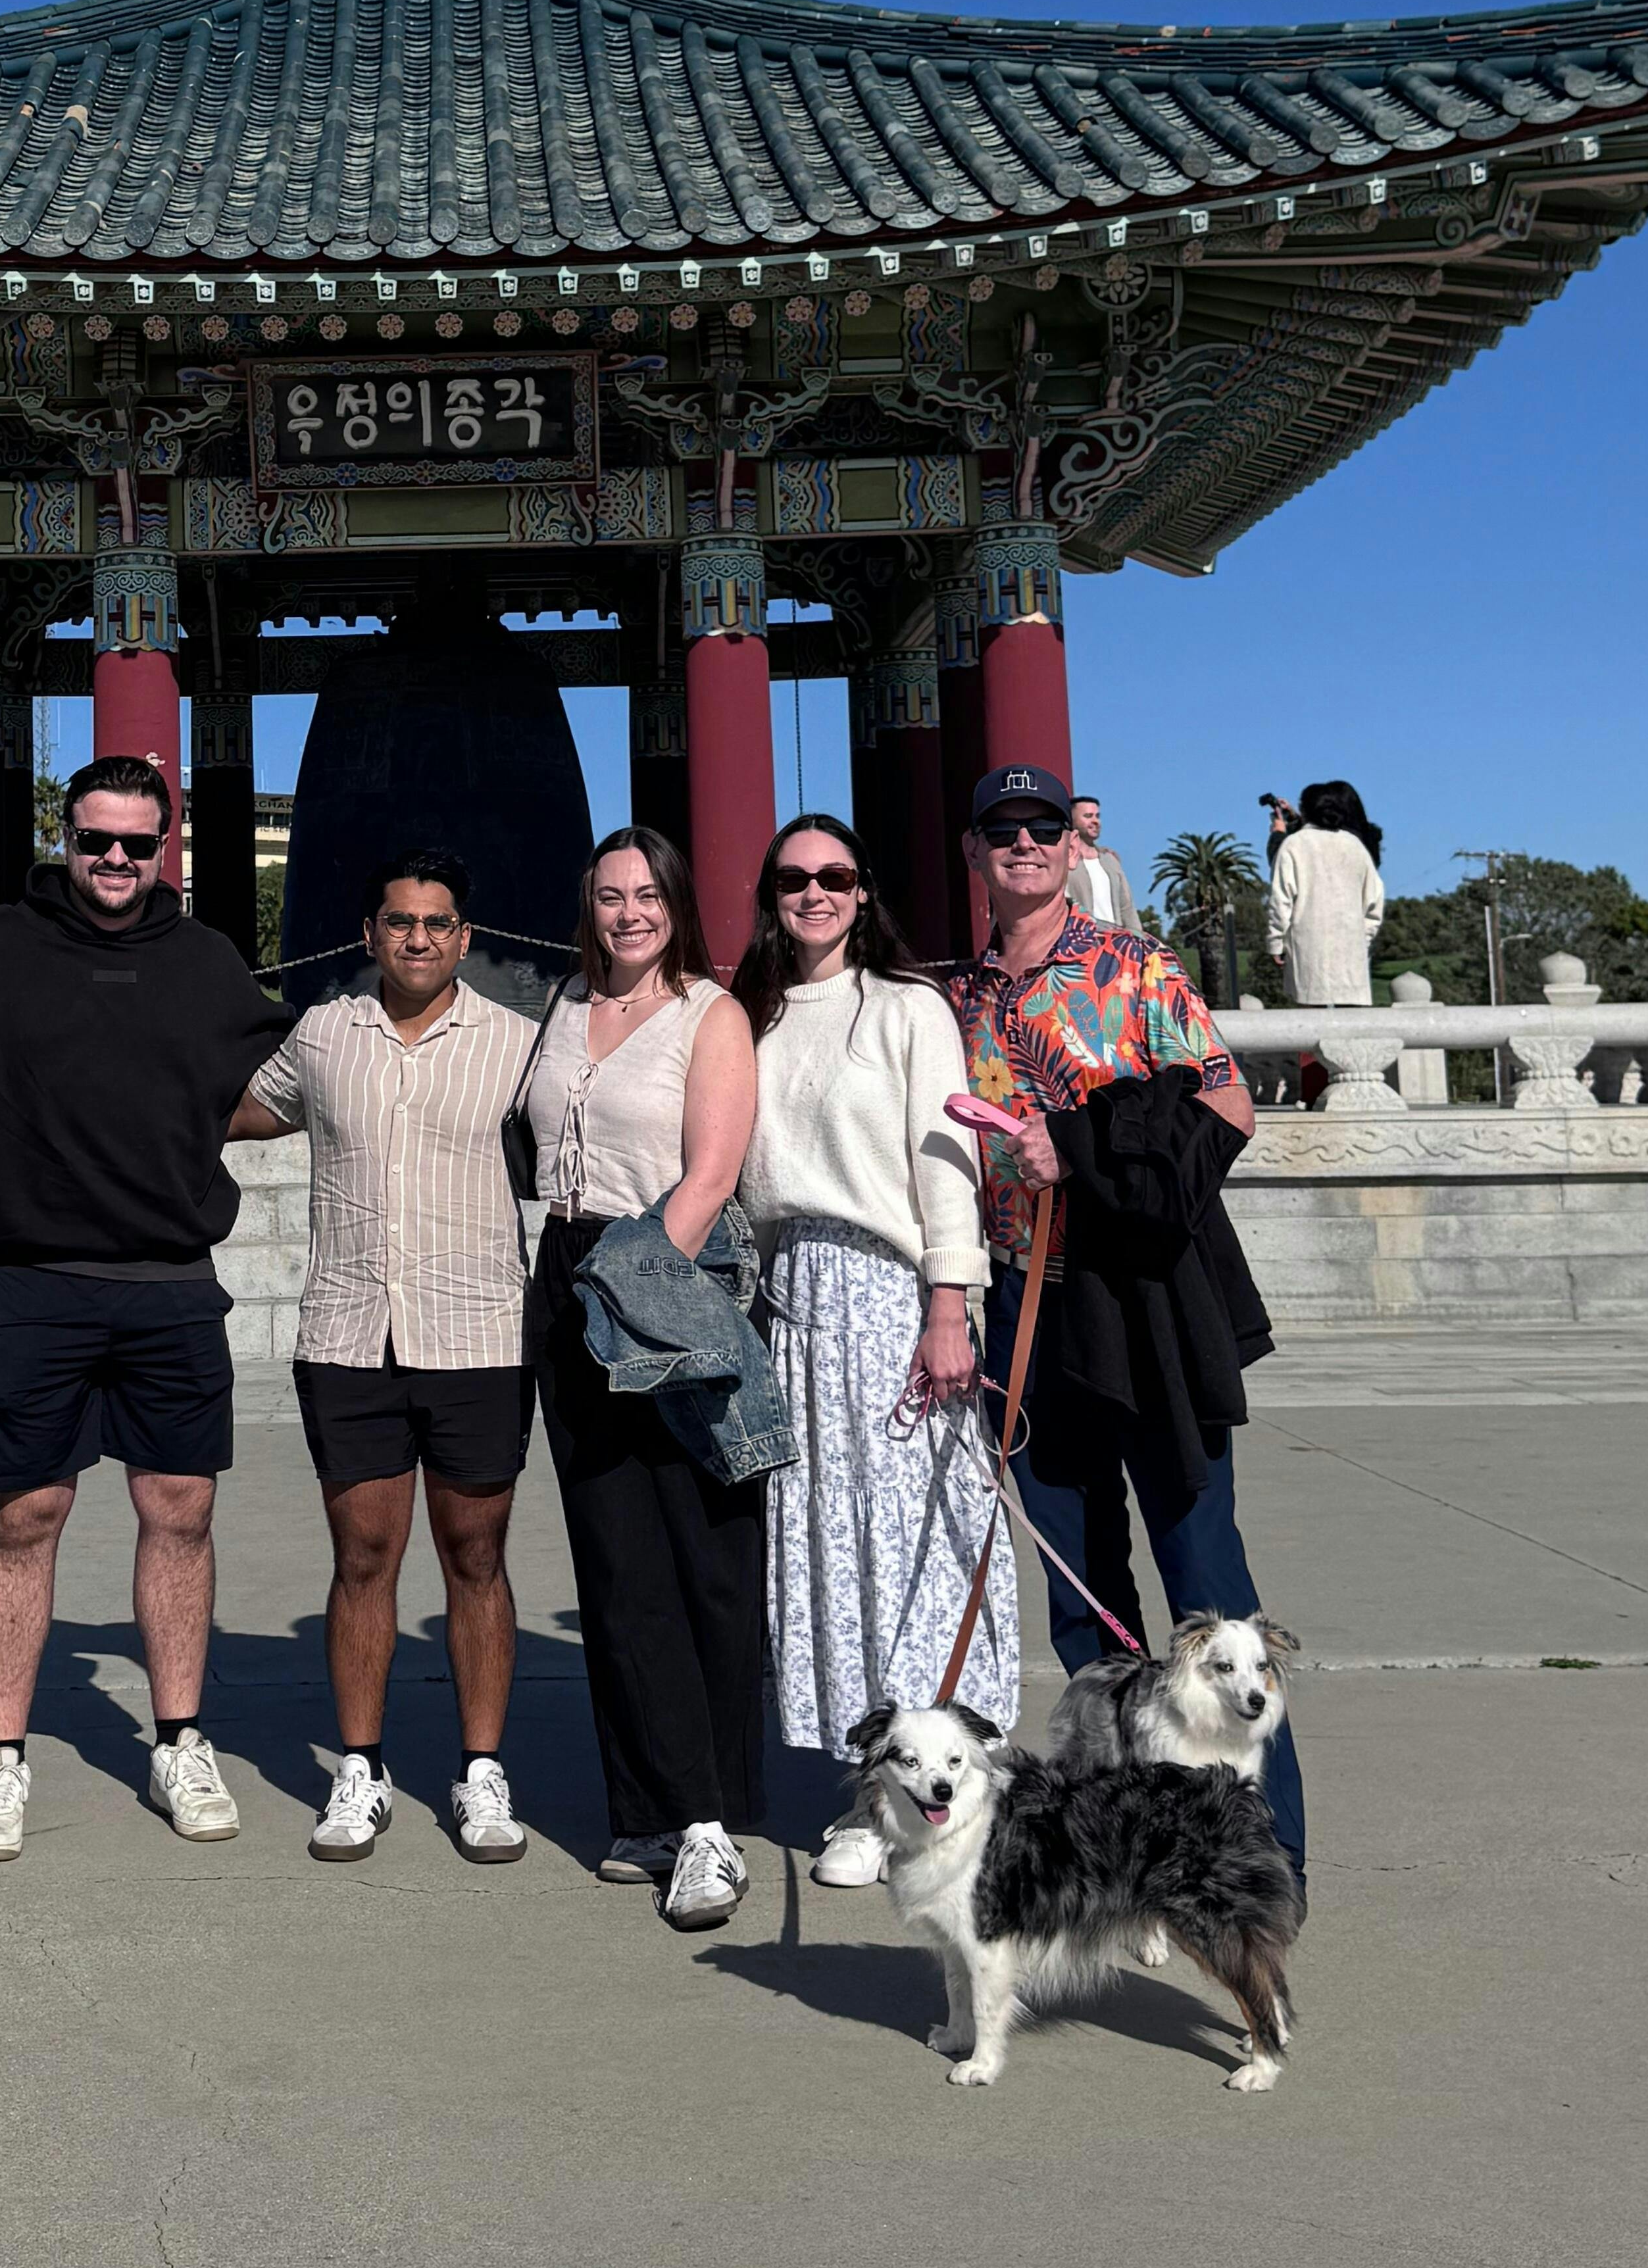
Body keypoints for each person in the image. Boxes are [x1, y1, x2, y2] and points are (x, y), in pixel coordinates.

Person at [942, 761, 1306, 1881]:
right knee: (1083, 1597)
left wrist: (1081, 1149)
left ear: (1073, 847)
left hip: (1140, 1301)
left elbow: (1226, 1101)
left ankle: (1258, 1851)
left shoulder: (1132, 966)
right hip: (1026, 1302)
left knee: (1205, 1579)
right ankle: (1130, 1843)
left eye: (1042, 827)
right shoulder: (956, 999)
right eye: (1002, 828)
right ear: (974, 851)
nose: (1024, 843)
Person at [0, 749, 290, 1860]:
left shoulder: (206, 961)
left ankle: (178, 1738)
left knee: (179, 1508)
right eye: (98, 840)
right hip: (29, 1280)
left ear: (164, 845)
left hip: (169, 1280)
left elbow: (277, 1088)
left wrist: (176, 1134)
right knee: (24, 1516)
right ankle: (0, 1756)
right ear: (67, 837)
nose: (118, 859)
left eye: (139, 842)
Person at [228, 847, 537, 1865]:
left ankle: (481, 1770)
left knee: (476, 1556)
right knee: (363, 1557)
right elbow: (243, 1109)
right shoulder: (323, 1035)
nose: (418, 938)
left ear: (465, 937)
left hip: (478, 1335)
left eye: (438, 923)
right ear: (369, 933)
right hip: (351, 1334)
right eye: (400, 921)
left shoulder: (516, 1045)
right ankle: (360, 1767)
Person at [733, 814, 1007, 1890]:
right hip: (794, 1300)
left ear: (862, 892)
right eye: (793, 878)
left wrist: (949, 1302)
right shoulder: (751, 1014)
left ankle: (945, 1787)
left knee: (915, 1543)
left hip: (893, 1292)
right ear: (770, 895)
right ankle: (866, 1796)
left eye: (834, 876)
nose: (814, 893)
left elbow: (946, 1161)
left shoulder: (905, 1006)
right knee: (827, 1547)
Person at [518, 824, 763, 1934]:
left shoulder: (709, 1014)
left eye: (647, 894)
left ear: (676, 904)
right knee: (614, 1557)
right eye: (610, 895)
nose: (628, 913)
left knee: (697, 1552)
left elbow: (711, 1173)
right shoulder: (563, 1003)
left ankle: (708, 1818)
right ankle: (646, 1809)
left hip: (663, 1271)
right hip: (566, 1270)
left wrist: (634, 1286)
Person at [1266, 781, 1387, 1008]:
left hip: (1307, 951)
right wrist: (1362, 939)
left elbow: (1281, 900)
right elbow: (1374, 901)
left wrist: (1276, 943)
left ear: (1305, 810)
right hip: (1351, 955)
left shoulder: (1293, 845)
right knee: (1352, 1021)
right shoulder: (1355, 846)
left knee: (1311, 1016)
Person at [1064, 794, 1140, 933]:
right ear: (1071, 820)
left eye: (1097, 816)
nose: (1095, 821)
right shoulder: (1064, 861)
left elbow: (1127, 906)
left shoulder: (1110, 860)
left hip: (1115, 939)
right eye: (1088, 816)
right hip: (1080, 937)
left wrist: (1137, 935)